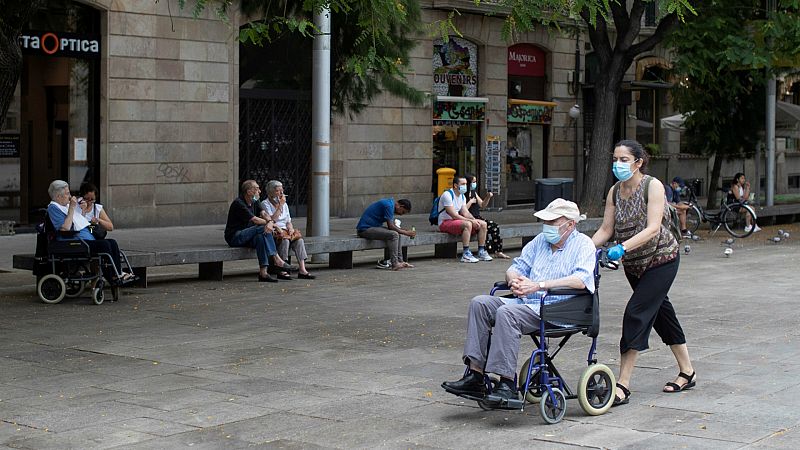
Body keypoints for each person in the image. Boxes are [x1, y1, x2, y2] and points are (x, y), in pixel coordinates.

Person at [441, 198, 596, 404]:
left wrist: (538, 285)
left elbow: (581, 280)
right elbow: (515, 267)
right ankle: (475, 375)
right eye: (546, 222)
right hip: (527, 303)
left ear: (570, 224)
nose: (547, 227)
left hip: (558, 308)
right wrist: (515, 281)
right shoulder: (540, 240)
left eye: (552, 222)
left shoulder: (583, 244)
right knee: (480, 303)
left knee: (506, 314)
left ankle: (507, 383)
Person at [591, 139, 695, 407]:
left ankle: (623, 385)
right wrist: (582, 249)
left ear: (638, 162)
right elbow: (606, 229)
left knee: (636, 313)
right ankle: (687, 371)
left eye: (624, 160)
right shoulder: (614, 191)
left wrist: (621, 248)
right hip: (635, 265)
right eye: (615, 159)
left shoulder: (653, 186)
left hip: (662, 260)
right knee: (662, 315)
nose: (618, 164)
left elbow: (652, 227)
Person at [46, 180, 133, 284]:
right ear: (59, 196)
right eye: (67, 193)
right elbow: (65, 228)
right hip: (74, 242)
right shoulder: (54, 208)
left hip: (85, 238)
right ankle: (113, 276)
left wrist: (87, 216)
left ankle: (118, 273)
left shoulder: (67, 206)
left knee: (112, 242)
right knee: (105, 245)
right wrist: (73, 208)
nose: (70, 196)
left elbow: (79, 224)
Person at [224, 180, 295, 282]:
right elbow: (255, 220)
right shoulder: (238, 203)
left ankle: (263, 273)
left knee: (261, 237)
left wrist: (270, 222)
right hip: (235, 236)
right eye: (257, 189)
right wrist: (273, 225)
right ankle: (276, 259)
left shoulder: (255, 201)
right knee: (262, 228)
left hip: (250, 235)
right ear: (249, 192)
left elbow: (264, 214)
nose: (260, 191)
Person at [261, 180, 315, 280]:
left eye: (282, 190)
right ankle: (282, 269)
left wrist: (290, 228)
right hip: (275, 231)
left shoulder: (284, 204)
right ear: (270, 192)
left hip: (285, 230)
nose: (281, 193)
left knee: (299, 240)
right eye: (278, 191)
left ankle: (302, 269)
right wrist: (280, 206)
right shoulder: (265, 204)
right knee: (284, 240)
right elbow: (272, 220)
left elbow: (288, 221)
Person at [438, 175, 491, 263]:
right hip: (445, 222)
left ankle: (481, 251)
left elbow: (465, 212)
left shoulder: (462, 196)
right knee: (468, 224)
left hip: (456, 221)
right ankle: (466, 253)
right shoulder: (447, 195)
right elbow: (454, 215)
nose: (465, 186)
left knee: (483, 224)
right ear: (455, 185)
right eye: (463, 184)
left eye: (466, 184)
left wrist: (474, 219)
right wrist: (470, 221)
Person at [356, 197, 416, 270]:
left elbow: (393, 226)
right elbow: (391, 226)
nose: (401, 214)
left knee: (397, 233)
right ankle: (395, 263)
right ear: (400, 206)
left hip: (373, 228)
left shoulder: (390, 204)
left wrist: (403, 231)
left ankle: (400, 261)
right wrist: (406, 232)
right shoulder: (388, 206)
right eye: (402, 212)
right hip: (364, 230)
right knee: (394, 234)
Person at [465, 175, 509, 259]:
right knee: (485, 227)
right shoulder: (463, 195)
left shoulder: (474, 192)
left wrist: (488, 197)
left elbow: (482, 205)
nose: (475, 184)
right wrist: (470, 202)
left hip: (477, 217)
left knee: (494, 226)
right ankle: (484, 250)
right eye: (473, 182)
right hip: (469, 218)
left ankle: (498, 251)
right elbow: (462, 210)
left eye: (475, 182)